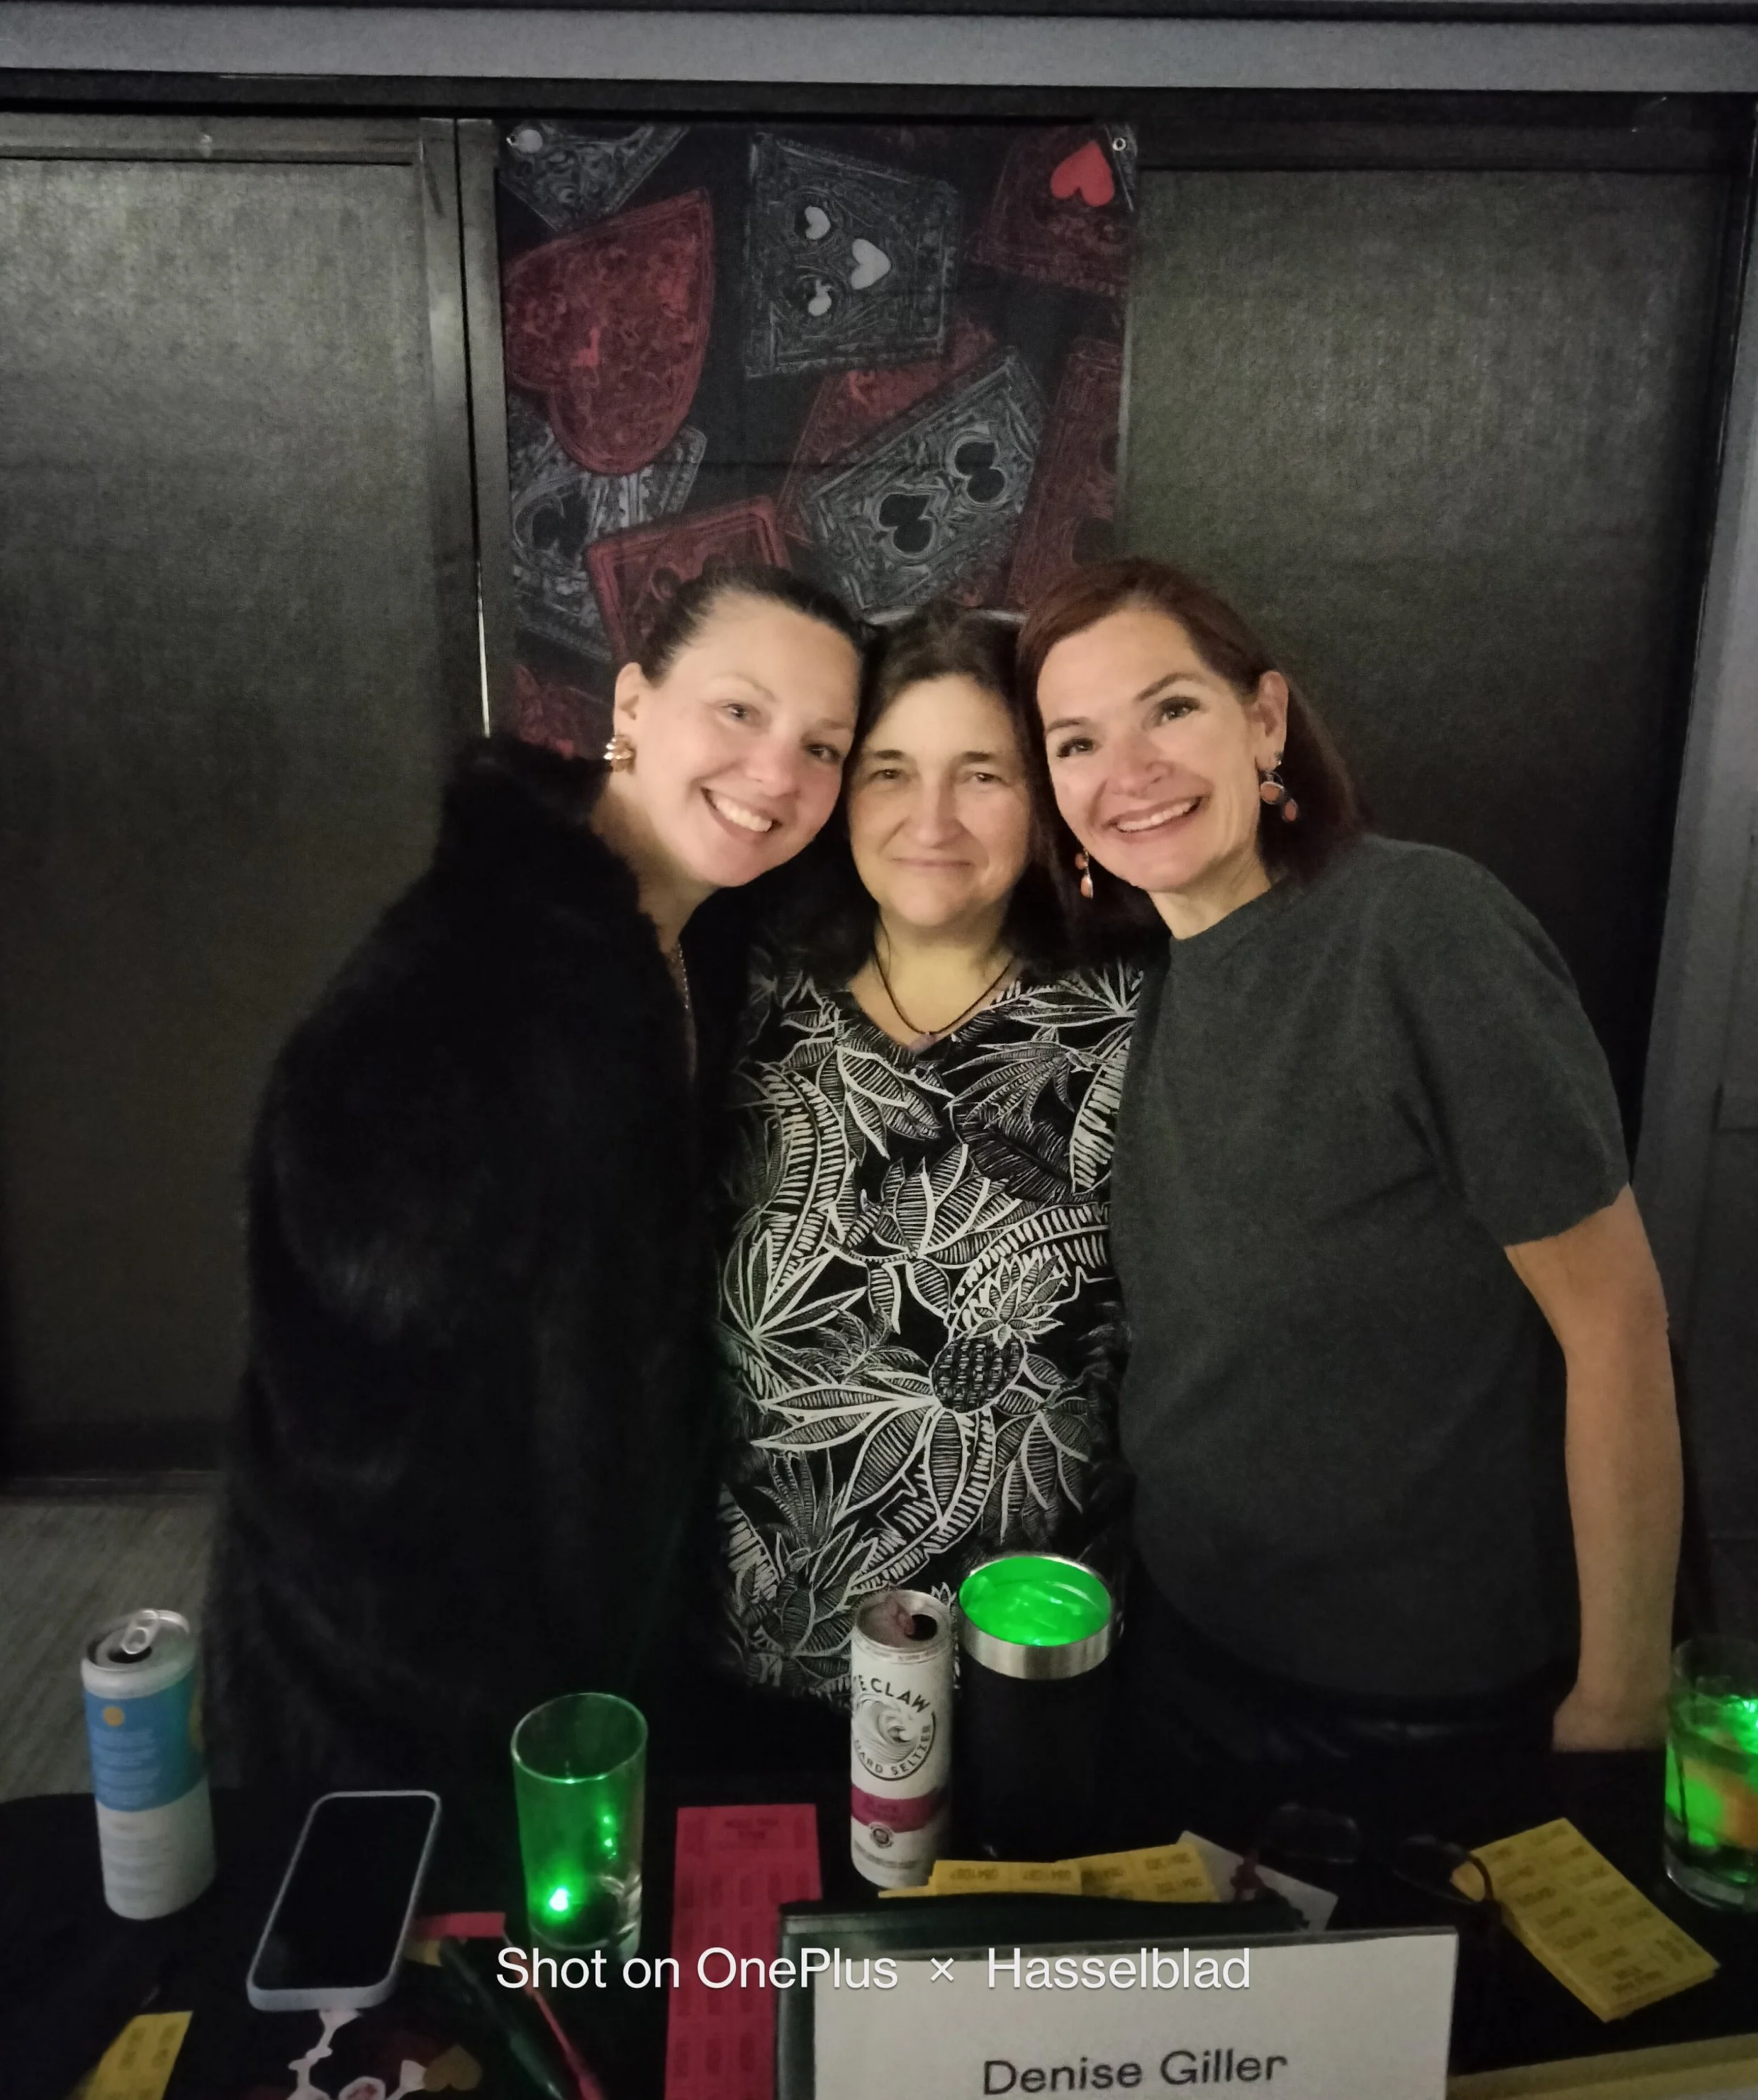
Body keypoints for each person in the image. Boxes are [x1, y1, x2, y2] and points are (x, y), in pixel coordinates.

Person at [207, 563, 863, 1812]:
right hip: (423, 1710)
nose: (777, 772)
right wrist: (493, 1707)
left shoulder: (698, 940)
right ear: (634, 705)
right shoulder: (461, 985)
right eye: (738, 710)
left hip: (612, 1660)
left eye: (822, 745)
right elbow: (352, 1427)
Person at [1018, 556, 1682, 1761]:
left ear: (1264, 720)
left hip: (1423, 1700)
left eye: (1172, 708)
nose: (1130, 772)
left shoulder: (1419, 928)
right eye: (1077, 742)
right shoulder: (1148, 987)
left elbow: (1617, 1324)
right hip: (1188, 1657)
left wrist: (1622, 1697)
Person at [715, 602, 1139, 1707]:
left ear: (1041, 797)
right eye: (891, 772)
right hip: (761, 1655)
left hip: (1034, 1671)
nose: (932, 819)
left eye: (983, 775)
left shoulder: (1133, 1023)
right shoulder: (745, 994)